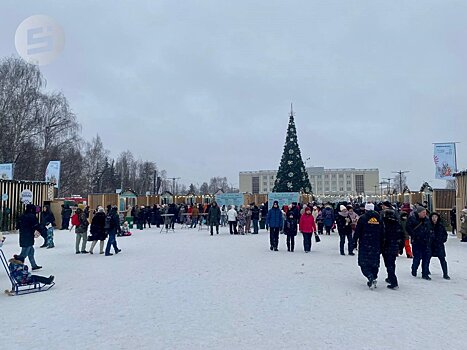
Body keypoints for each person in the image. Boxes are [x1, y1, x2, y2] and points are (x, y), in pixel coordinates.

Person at [353, 203, 383, 289]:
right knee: (375, 262)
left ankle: (370, 276)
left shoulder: (362, 218)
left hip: (365, 243)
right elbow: (382, 232)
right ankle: (374, 276)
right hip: (376, 244)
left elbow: (358, 231)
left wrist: (354, 241)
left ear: (365, 209)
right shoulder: (379, 218)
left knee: (364, 263)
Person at [380, 201, 404, 290]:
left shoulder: (384, 224)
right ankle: (390, 277)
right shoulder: (397, 223)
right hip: (394, 246)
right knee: (391, 263)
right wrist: (400, 247)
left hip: (386, 246)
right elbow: (401, 235)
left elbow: (381, 235)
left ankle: (393, 281)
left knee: (388, 263)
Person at [406, 206, 433, 280]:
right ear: (419, 213)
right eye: (423, 212)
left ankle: (425, 273)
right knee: (417, 257)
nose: (425, 214)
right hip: (417, 242)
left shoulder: (427, 220)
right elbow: (408, 228)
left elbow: (430, 229)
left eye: (425, 212)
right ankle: (414, 268)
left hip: (426, 242)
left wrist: (430, 236)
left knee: (426, 258)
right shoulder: (412, 219)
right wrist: (414, 235)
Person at [17, 204, 42, 270]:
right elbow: (35, 225)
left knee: (31, 251)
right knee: (24, 253)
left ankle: (34, 265)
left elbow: (17, 225)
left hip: (23, 235)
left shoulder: (22, 216)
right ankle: (17, 265)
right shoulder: (31, 216)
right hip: (28, 235)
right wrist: (41, 230)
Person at [430, 212, 450, 280]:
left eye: (435, 217)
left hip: (439, 245)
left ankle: (445, 273)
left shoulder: (441, 226)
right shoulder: (428, 225)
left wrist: (443, 240)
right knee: (427, 259)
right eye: (433, 217)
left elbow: (445, 234)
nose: (434, 218)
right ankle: (425, 271)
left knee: (442, 259)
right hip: (431, 245)